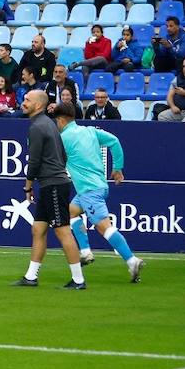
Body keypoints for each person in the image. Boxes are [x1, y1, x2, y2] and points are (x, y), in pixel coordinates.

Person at [54, 103, 143, 282]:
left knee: (104, 227)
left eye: (56, 121)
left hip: (89, 190)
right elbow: (114, 141)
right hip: (99, 186)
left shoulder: (63, 138)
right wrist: (117, 168)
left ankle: (132, 260)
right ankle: (86, 252)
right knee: (70, 211)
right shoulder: (90, 131)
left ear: (61, 120)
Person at [11, 91, 86, 289]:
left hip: (52, 185)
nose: (23, 102)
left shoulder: (37, 127)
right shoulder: (49, 124)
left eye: (27, 100)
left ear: (38, 105)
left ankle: (79, 280)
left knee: (62, 231)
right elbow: (62, 154)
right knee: (38, 229)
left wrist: (27, 186)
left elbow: (34, 161)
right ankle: (31, 277)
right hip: (51, 183)